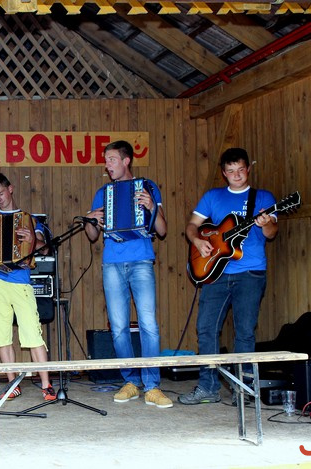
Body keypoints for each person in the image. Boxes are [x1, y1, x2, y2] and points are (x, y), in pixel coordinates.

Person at [179, 148, 278, 405]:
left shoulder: (263, 197)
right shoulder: (213, 196)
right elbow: (192, 225)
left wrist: (266, 223)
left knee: (244, 331)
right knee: (206, 328)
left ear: (248, 169)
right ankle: (208, 387)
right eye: (231, 171)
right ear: (224, 173)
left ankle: (242, 389)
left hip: (251, 272)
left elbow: (271, 233)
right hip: (216, 273)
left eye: (241, 170)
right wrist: (198, 242)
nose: (237, 175)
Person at [84, 140, 172, 409]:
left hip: (141, 260)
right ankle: (131, 381)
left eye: (111, 159)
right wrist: (90, 220)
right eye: (106, 160)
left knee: (148, 324)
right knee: (119, 326)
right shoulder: (103, 193)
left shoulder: (148, 186)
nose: (107, 165)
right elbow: (92, 235)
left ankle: (152, 385)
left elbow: (162, 230)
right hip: (112, 262)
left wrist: (151, 207)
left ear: (126, 161)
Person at [0, 173, 55, 401]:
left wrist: (32, 240)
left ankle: (46, 384)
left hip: (20, 281)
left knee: (33, 333)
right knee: (1, 335)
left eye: (1, 193)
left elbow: (45, 249)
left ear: (11, 189)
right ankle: (13, 383)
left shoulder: (29, 219)